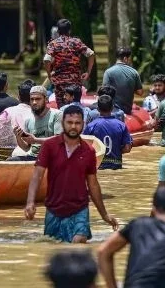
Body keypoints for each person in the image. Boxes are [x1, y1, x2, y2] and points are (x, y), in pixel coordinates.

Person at [24, 105, 118, 243]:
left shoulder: (89, 151)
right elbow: (37, 176)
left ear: (83, 124)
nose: (73, 126)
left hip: (79, 209)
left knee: (79, 240)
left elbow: (93, 184)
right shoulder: (49, 146)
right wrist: (30, 202)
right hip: (54, 209)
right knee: (53, 247)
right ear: (63, 123)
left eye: (77, 123)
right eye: (69, 123)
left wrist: (104, 215)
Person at [12, 85, 62, 161]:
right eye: (32, 99)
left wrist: (36, 140)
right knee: (11, 161)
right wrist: (18, 137)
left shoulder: (57, 115)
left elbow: (59, 139)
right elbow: (26, 148)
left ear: (46, 99)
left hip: (52, 158)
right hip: (33, 158)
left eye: (38, 99)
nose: (34, 102)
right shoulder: (28, 120)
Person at [44, 18, 95, 90]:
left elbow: (46, 59)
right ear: (70, 30)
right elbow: (91, 54)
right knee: (75, 100)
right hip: (75, 82)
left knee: (60, 100)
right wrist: (88, 72)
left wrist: (49, 75)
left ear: (58, 31)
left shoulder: (53, 44)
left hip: (59, 82)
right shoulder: (77, 42)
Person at [85, 94, 133, 170]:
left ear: (97, 109)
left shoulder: (91, 126)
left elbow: (84, 148)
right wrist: (116, 150)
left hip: (98, 165)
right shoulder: (122, 126)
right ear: (112, 108)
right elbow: (127, 148)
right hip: (116, 165)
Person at [102, 47, 143, 113]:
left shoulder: (108, 72)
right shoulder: (134, 72)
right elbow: (140, 92)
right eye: (129, 59)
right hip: (127, 110)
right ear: (125, 59)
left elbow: (104, 91)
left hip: (112, 109)